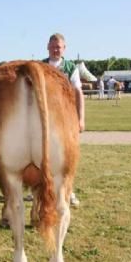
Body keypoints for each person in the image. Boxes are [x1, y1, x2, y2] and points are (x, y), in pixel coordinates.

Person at [43, 32, 84, 207]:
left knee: (67, 156)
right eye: (52, 46)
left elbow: (78, 92)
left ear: (64, 48)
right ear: (47, 47)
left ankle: (69, 190)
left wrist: (81, 118)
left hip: (65, 119)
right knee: (43, 154)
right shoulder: (40, 66)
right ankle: (41, 188)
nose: (55, 50)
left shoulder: (70, 67)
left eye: (58, 47)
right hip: (45, 118)